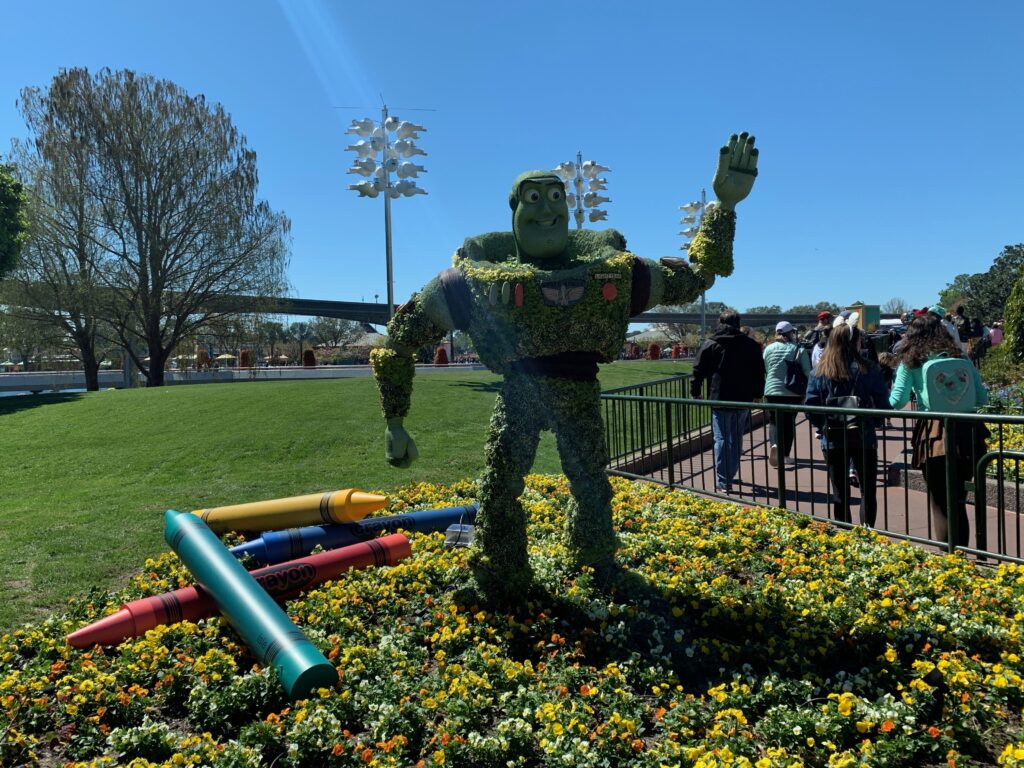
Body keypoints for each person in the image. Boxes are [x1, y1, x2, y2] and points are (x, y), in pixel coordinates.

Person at [371, 133, 759, 600]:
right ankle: (502, 569)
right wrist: (395, 421)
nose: (547, 210)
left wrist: (725, 205)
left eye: (557, 197)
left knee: (592, 484)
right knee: (499, 488)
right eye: (533, 199)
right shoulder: (465, 283)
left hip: (579, 390)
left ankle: (594, 558)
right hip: (520, 392)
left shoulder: (617, 272)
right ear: (513, 211)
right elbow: (399, 341)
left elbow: (697, 275)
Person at [889, 314, 989, 547]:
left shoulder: (910, 360)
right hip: (967, 431)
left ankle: (949, 557)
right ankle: (964, 554)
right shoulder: (959, 356)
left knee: (940, 501)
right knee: (959, 499)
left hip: (934, 433)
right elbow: (982, 397)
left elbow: (897, 400)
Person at [805, 325, 891, 525]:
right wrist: (875, 422)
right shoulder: (868, 367)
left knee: (839, 491)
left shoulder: (819, 371)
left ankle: (844, 534)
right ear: (855, 342)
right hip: (864, 435)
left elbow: (811, 406)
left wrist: (822, 426)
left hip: (832, 437)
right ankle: (867, 532)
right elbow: (882, 401)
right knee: (867, 490)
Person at [691, 311, 767, 492]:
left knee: (722, 438)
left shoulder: (711, 343)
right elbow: (759, 371)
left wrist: (696, 392)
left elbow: (698, 369)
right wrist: (757, 393)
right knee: (735, 437)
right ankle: (728, 475)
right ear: (738, 323)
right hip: (743, 398)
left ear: (720, 322)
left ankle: (724, 480)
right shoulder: (751, 345)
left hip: (720, 397)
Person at [763, 320, 811, 467]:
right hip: (792, 392)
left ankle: (774, 445)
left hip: (771, 390)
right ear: (790, 333)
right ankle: (785, 455)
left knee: (773, 421)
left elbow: (766, 368)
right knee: (789, 422)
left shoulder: (768, 349)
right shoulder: (799, 349)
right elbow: (807, 372)